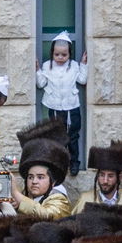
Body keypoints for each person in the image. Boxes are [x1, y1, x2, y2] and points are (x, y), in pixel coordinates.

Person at [36, 32, 88, 174]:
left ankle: (74, 162)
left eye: (64, 55)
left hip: (72, 106)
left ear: (69, 54)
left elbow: (83, 80)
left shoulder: (74, 66)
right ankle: (58, 163)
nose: (60, 58)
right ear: (52, 53)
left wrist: (83, 65)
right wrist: (38, 71)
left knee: (72, 136)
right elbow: (41, 84)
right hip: (54, 106)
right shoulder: (47, 66)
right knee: (57, 136)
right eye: (57, 54)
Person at [73, 145, 122, 215]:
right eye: (102, 175)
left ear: (119, 178)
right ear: (97, 176)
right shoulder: (85, 199)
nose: (105, 181)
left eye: (110, 176)